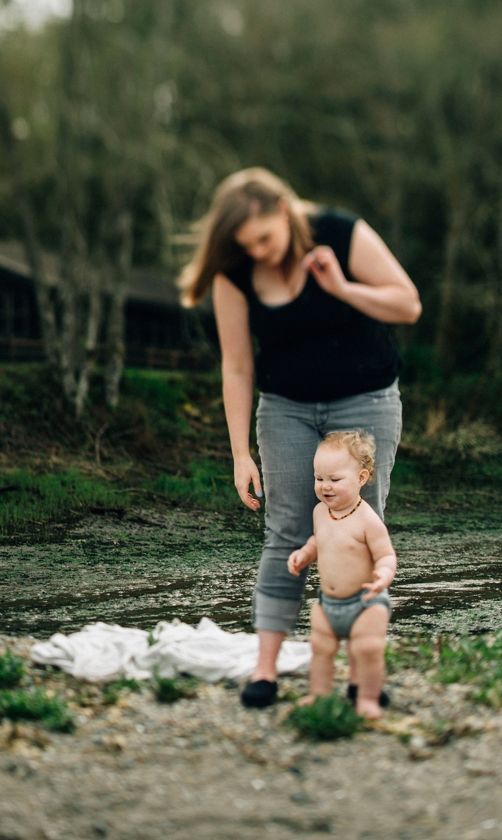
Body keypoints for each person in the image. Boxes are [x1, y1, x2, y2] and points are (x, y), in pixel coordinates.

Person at [177, 167, 420, 708]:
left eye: (265, 237)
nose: (258, 252)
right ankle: (264, 671)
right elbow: (238, 367)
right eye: (245, 245)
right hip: (285, 407)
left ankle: (362, 677)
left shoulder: (339, 233)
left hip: (366, 399)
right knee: (286, 532)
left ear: (285, 212)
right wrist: (240, 452)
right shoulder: (235, 274)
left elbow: (408, 304)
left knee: (359, 526)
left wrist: (341, 287)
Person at [286, 431, 396, 719]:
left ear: (361, 478)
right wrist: (305, 554)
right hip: (329, 602)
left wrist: (383, 576)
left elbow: (386, 555)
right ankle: (319, 695)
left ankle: (367, 698)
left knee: (368, 648)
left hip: (366, 601)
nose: (325, 487)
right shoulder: (321, 513)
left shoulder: (367, 520)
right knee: (321, 648)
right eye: (319, 479)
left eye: (335, 480)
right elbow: (318, 542)